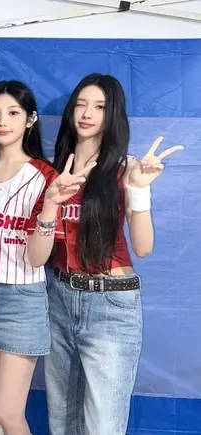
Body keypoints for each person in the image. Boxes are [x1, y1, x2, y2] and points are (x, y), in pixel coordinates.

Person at [43, 73, 184, 435]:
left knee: (102, 426)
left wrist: (138, 190)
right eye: (81, 104)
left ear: (113, 115)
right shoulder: (53, 170)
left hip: (109, 305)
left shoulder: (125, 169)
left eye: (99, 107)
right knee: (62, 422)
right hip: (58, 297)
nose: (87, 114)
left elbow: (143, 247)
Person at [0, 80, 92, 435]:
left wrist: (49, 208)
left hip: (20, 300)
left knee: (9, 413)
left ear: (30, 119)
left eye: (13, 113)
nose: (3, 122)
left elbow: (37, 257)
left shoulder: (45, 177)